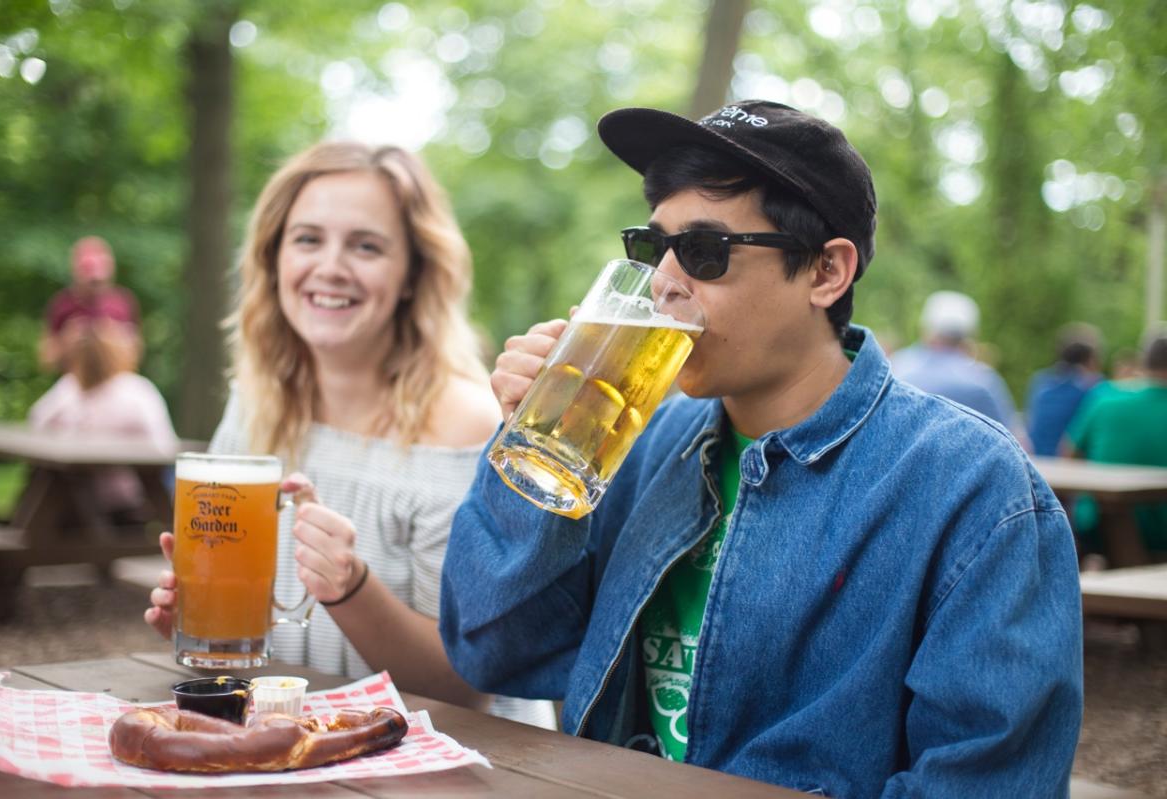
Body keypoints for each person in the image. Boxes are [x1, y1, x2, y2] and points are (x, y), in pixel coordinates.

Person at [439, 100, 1082, 795]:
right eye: (654, 247)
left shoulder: (977, 491)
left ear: (826, 273)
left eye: (706, 252)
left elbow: (984, 781)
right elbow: (495, 653)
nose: (664, 282)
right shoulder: (639, 440)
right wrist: (534, 450)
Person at [142, 141, 554, 728]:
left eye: (366, 246)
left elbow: (468, 689)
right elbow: (263, 647)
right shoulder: (256, 406)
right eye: (308, 239)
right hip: (307, 740)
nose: (330, 266)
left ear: (413, 274)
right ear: (274, 259)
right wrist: (208, 621)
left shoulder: (465, 426)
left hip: (472, 760)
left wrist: (351, 588)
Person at [29, 317, 176, 524]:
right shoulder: (136, 390)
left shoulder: (69, 388)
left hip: (76, 494)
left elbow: (36, 419)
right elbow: (165, 447)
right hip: (129, 497)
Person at [1066, 327, 1167, 555]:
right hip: (1160, 533)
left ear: (1144, 362)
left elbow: (1068, 454)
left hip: (1099, 528)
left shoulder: (1104, 397)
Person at [890, 290, 1027, 444]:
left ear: (926, 330)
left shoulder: (898, 366)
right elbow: (1016, 441)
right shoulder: (983, 380)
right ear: (971, 335)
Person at [40, 236, 141, 372]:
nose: (95, 279)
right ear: (76, 270)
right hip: (76, 383)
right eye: (88, 270)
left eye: (100, 270)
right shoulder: (62, 304)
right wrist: (68, 339)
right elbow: (46, 360)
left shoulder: (122, 302)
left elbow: (136, 354)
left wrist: (114, 339)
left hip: (116, 381)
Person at [1026, 322, 1104, 456]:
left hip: (1038, 463)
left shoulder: (1040, 381)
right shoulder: (1092, 390)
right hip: (1071, 470)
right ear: (1090, 360)